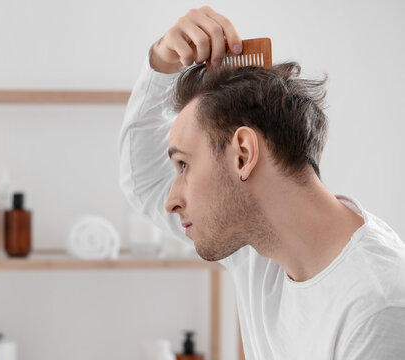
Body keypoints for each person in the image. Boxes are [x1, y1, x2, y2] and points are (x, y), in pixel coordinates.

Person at [118, 6, 405, 360]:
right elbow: (143, 178)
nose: (171, 200)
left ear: (243, 154)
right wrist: (162, 61)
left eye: (184, 165)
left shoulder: (379, 312)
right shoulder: (258, 247)